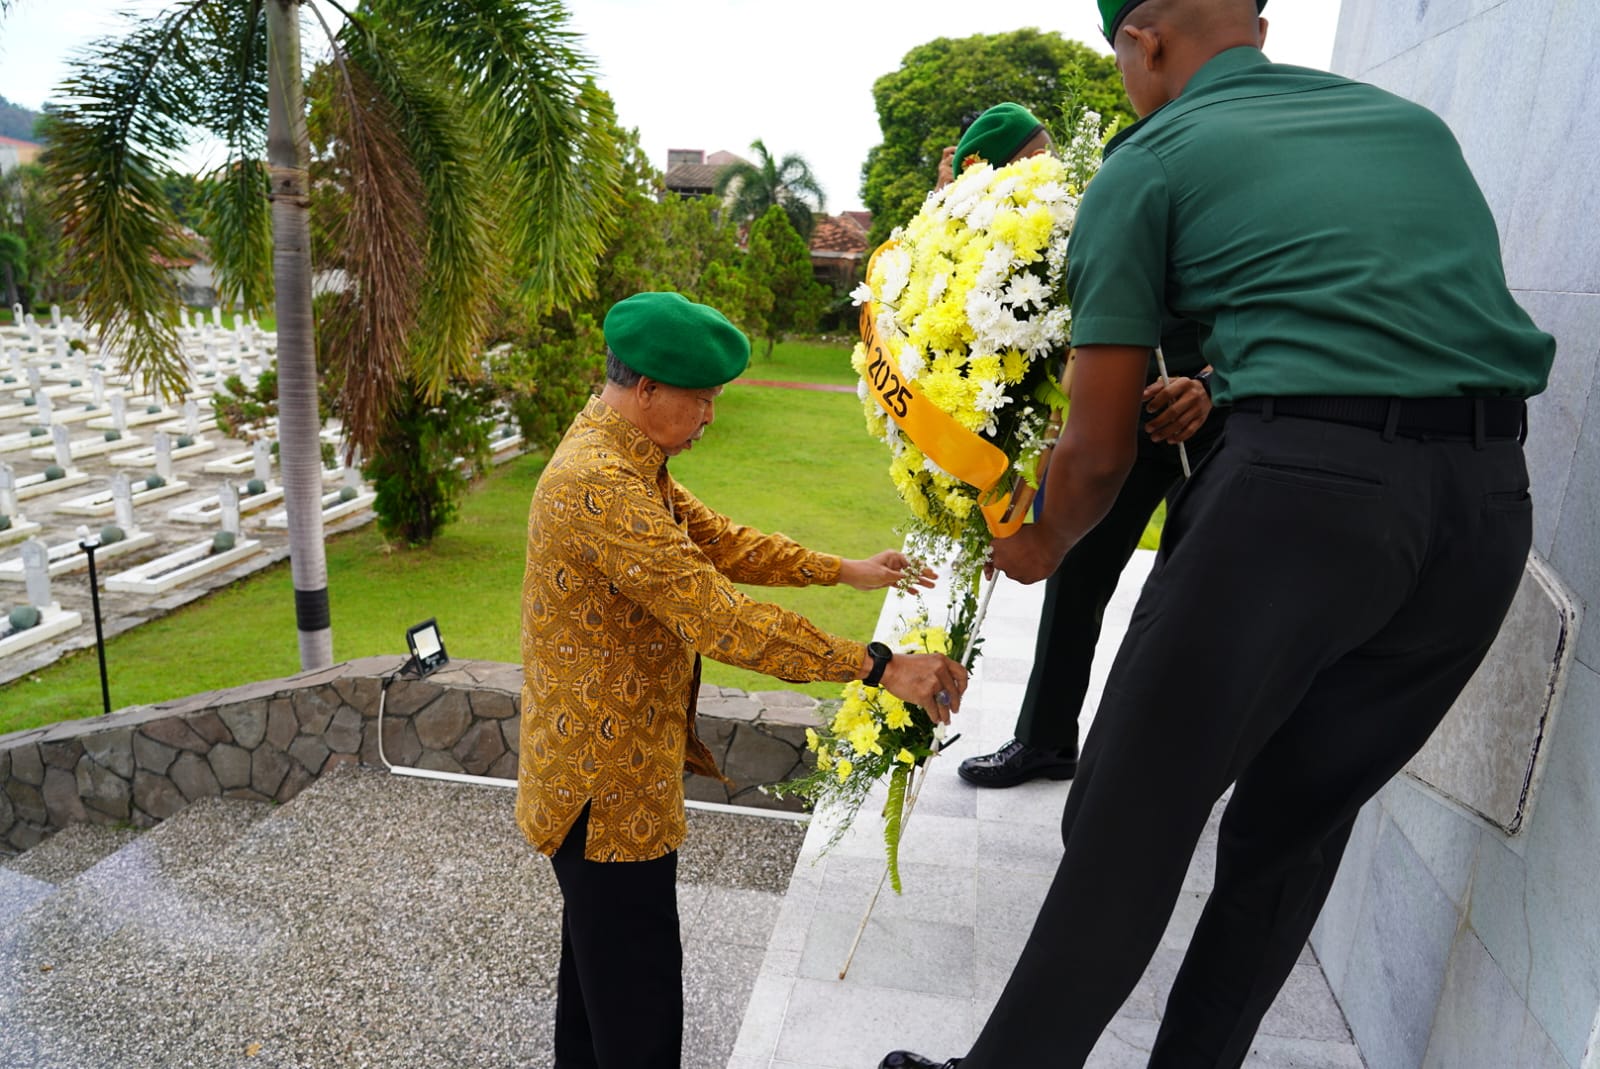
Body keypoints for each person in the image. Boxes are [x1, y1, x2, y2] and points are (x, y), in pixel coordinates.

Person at [883, 0, 1554, 1066]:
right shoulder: (1408, 126)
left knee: (1126, 822)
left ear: (1140, 39)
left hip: (1303, 502)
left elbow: (1098, 452)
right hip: (1484, 511)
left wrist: (1041, 543)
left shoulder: (1150, 162)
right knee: (1289, 836)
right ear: (1257, 20)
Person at [515, 291, 969, 1069]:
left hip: (607, 780)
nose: (710, 417)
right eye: (702, 399)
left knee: (597, 997)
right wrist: (879, 665)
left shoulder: (621, 449)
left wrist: (841, 570)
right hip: (605, 793)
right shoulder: (600, 485)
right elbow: (721, 619)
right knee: (640, 1013)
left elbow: (718, 539)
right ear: (649, 388)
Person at [938, 104, 1226, 789]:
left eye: (1030, 166)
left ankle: (1191, 757)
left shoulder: (1131, 187)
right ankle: (1045, 741)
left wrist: (1215, 382)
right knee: (1077, 569)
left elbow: (1252, 293)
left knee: (1200, 587)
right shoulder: (1022, 239)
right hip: (1121, 418)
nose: (1030, 182)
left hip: (1211, 410)